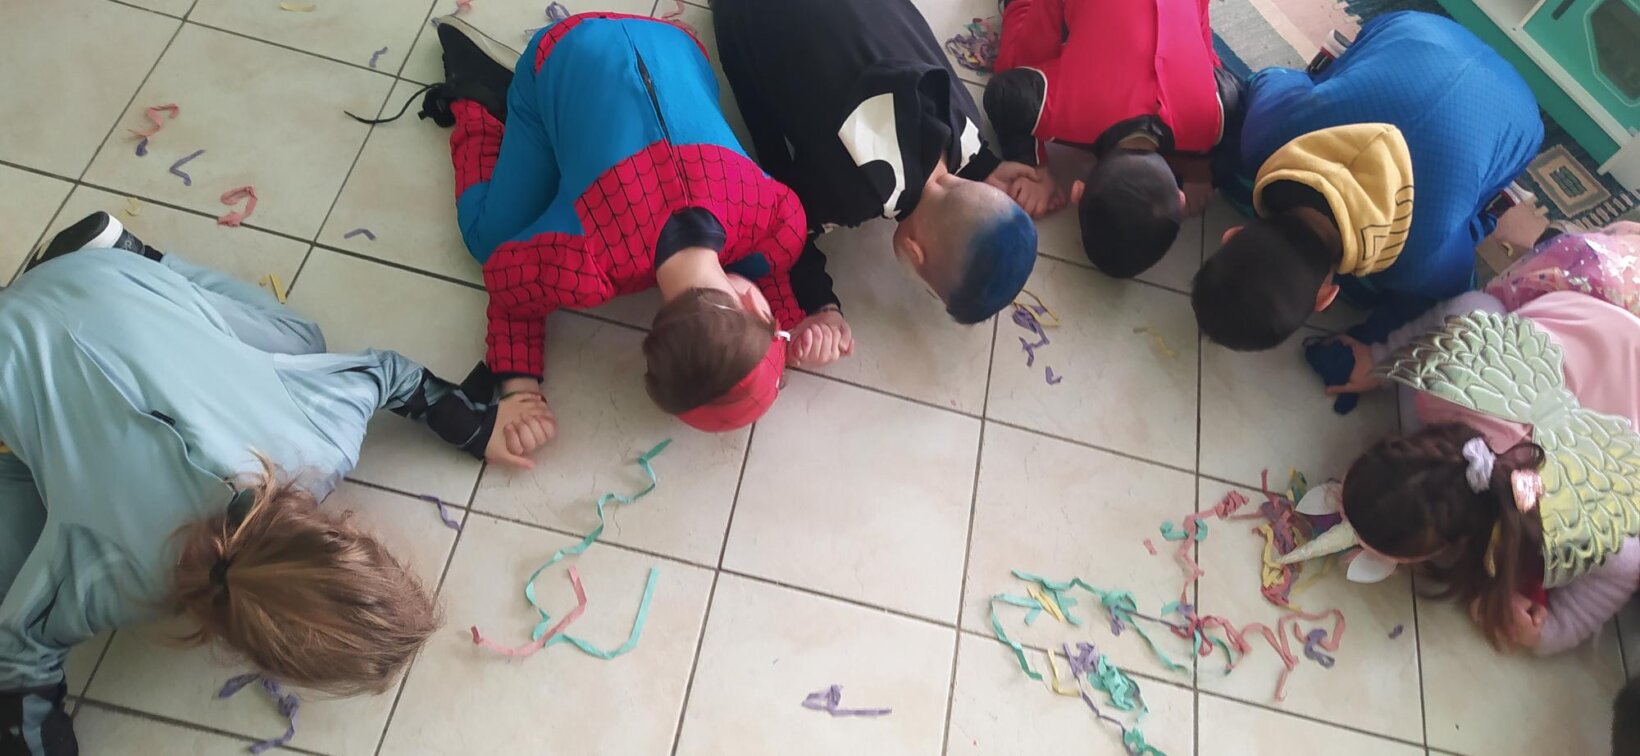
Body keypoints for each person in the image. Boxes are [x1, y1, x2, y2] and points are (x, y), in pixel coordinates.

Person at [0, 213, 552, 756]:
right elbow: (18, 651)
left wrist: (475, 426)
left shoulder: (320, 439)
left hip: (103, 279)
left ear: (344, 533)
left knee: (304, 344)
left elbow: (389, 373)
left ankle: (130, 252)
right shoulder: (120, 580)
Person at [416, 13, 842, 433]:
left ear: (752, 303)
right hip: (560, 52)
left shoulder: (772, 213)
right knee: (488, 241)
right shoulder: (585, 264)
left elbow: (769, 262)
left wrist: (799, 322)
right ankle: (478, 100)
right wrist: (519, 388)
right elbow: (508, 283)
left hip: (672, 44)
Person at [1278, 282, 1640, 655]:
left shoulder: (1548, 510)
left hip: (1618, 389)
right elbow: (1475, 302)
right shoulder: (1440, 382)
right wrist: (1378, 361)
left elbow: (1628, 561)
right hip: (1589, 330)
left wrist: (1549, 632)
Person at [1192, 11, 1543, 352]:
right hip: (1418, 29)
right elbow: (1271, 78)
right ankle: (1341, 73)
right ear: (1232, 235)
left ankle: (1491, 209)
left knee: (1442, 244)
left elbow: (1458, 284)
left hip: (1519, 113)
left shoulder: (1417, 261)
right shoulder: (1265, 139)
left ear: (1326, 296)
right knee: (1266, 119)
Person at [712, 0, 1038, 327]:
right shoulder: (854, 193)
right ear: (914, 251)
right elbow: (786, 223)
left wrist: (986, 165)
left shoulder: (964, 115)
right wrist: (821, 303)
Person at [983, 0, 1244, 277]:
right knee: (1018, 54)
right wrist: (1032, 166)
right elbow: (1003, 92)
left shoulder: (1211, 118)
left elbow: (1227, 89)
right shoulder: (1076, 108)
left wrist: (1200, 172)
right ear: (1077, 191)